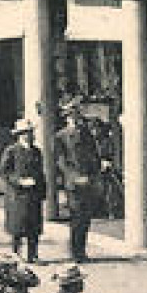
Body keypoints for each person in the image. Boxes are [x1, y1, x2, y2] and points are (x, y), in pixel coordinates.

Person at [54, 97, 106, 263]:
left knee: (86, 218)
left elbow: (94, 155)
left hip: (89, 181)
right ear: (66, 117)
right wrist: (74, 177)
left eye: (76, 114)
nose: (75, 118)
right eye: (71, 115)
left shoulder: (86, 134)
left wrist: (96, 171)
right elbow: (61, 162)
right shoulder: (60, 137)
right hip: (74, 184)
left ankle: (82, 251)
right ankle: (75, 252)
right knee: (76, 217)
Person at [0, 118, 47, 264]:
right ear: (20, 135)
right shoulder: (12, 151)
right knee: (17, 228)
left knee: (34, 227)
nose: (29, 136)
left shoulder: (37, 151)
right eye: (26, 133)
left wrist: (42, 191)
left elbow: (41, 172)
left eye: (31, 133)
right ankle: (15, 255)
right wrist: (19, 181)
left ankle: (33, 255)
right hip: (17, 196)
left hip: (34, 195)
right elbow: (4, 172)